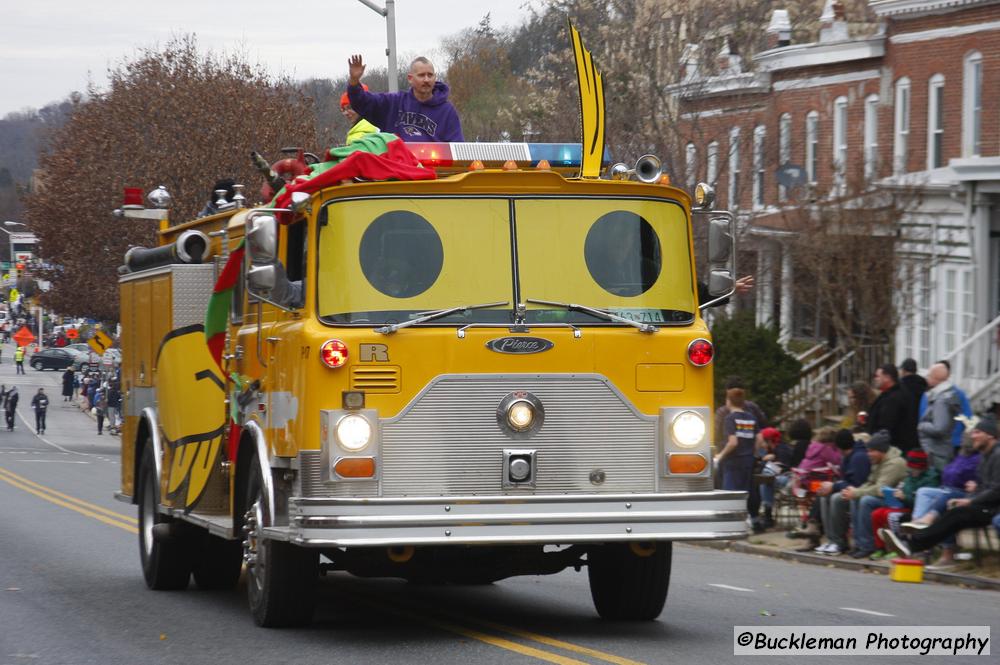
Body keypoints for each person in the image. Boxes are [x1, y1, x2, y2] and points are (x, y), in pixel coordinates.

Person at [882, 414, 1000, 560]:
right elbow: (986, 485)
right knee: (952, 510)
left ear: (990, 436)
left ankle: (913, 544)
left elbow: (996, 490)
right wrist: (975, 490)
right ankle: (914, 542)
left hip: (992, 508)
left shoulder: (997, 455)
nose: (972, 436)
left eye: (977, 432)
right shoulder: (985, 457)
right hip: (984, 505)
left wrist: (971, 500)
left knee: (956, 513)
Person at [820, 430, 906, 557]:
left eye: (871, 451)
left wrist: (856, 492)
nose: (868, 454)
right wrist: (854, 491)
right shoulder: (878, 460)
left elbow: (880, 489)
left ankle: (867, 545)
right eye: (868, 450)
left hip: (894, 500)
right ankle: (850, 543)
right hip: (881, 495)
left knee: (864, 500)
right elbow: (869, 482)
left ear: (881, 450)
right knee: (851, 497)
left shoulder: (894, 463)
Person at [346, 54, 464, 142]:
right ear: (410, 78)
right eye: (421, 75)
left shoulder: (447, 111)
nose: (426, 80)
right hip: (398, 169)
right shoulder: (394, 103)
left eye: (430, 75)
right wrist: (354, 81)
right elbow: (362, 102)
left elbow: (456, 147)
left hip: (434, 172)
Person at [868, 449, 939, 559]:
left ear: (922, 467)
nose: (913, 470)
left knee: (892, 517)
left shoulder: (931, 479)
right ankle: (880, 548)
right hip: (903, 505)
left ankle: (900, 545)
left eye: (915, 468)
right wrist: (891, 493)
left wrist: (905, 497)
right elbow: (905, 490)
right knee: (876, 514)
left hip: (917, 509)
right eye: (911, 468)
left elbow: (923, 502)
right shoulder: (909, 477)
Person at [714, 387, 760, 503]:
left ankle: (730, 517)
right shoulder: (751, 418)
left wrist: (720, 456)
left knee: (730, 495)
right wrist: (753, 453)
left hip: (733, 462)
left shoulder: (730, 418)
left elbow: (733, 442)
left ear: (728, 401)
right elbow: (759, 439)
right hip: (748, 461)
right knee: (745, 493)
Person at [917, 362, 962, 472]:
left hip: (937, 453)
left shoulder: (941, 400)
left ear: (935, 378)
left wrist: (922, 426)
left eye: (929, 375)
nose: (927, 378)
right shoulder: (949, 394)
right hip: (942, 450)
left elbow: (940, 428)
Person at [867, 364, 917, 452]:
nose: (875, 379)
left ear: (887, 377)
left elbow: (886, 425)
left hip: (891, 447)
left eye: (878, 376)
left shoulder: (894, 398)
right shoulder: (889, 393)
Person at [756, 426, 793, 529]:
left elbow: (781, 468)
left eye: (762, 441)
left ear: (768, 440)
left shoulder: (782, 449)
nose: (761, 444)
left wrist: (765, 461)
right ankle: (765, 515)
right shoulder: (771, 450)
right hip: (780, 477)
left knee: (766, 479)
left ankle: (767, 516)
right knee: (765, 479)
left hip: (788, 479)